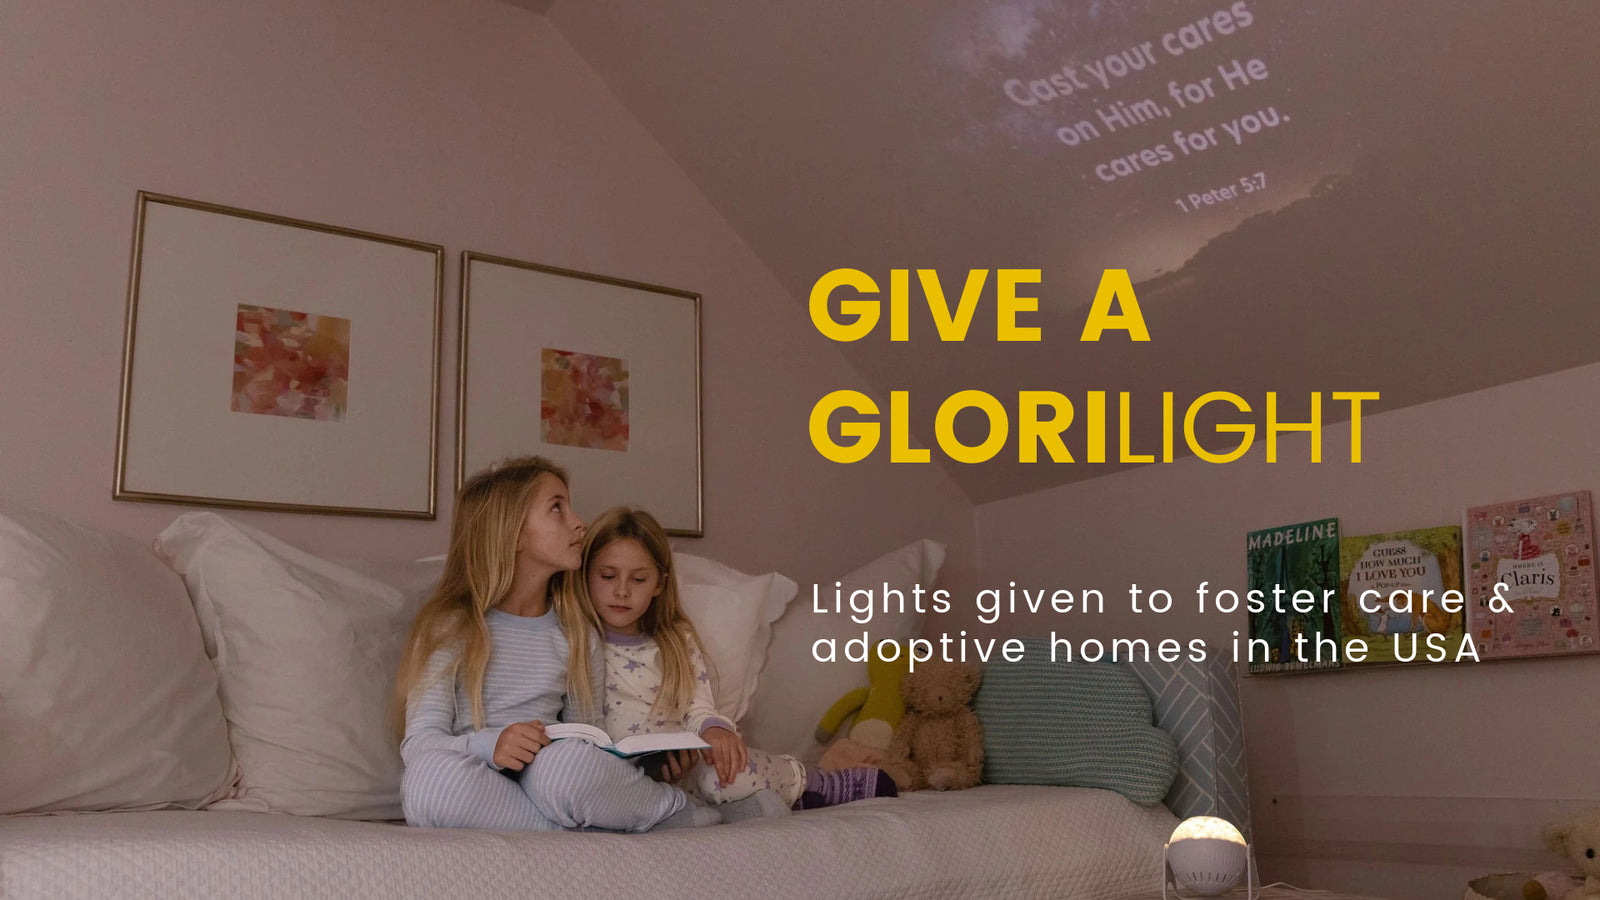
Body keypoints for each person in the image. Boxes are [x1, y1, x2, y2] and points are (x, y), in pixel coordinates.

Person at [391, 456, 718, 832]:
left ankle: (669, 807)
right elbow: (420, 743)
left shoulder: (577, 633)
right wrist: (492, 745)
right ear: (512, 534)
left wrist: (646, 767)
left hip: (551, 780)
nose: (579, 522)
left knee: (564, 769)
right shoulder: (449, 627)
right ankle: (582, 833)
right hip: (480, 786)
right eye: (557, 508)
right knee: (425, 783)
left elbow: (590, 741)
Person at [578, 506, 898, 812]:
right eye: (607, 576)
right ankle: (747, 805)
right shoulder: (576, 642)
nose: (621, 591)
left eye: (638, 579)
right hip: (619, 782)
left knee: (728, 771)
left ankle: (811, 783)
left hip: (686, 772)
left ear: (660, 584)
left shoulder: (675, 642)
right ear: (586, 574)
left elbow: (698, 708)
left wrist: (714, 731)